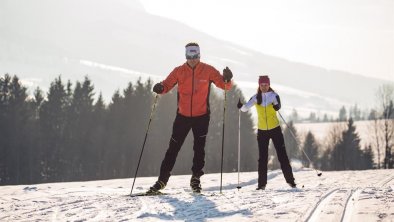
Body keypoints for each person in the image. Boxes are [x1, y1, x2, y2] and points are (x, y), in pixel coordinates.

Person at [148, 42, 233, 193]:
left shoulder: (208, 70)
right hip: (182, 116)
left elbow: (224, 85)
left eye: (195, 56)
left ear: (199, 55)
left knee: (199, 149)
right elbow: (166, 85)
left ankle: (195, 179)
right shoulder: (179, 71)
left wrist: (227, 79)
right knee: (173, 149)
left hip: (202, 117)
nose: (192, 59)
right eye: (189, 56)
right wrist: (160, 88)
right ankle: (161, 181)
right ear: (186, 56)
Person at [237, 75, 296, 190]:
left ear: (269, 85)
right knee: (262, 158)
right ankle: (261, 185)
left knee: (282, 155)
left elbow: (278, 105)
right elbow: (245, 108)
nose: (264, 87)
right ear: (259, 85)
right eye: (262, 85)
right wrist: (240, 106)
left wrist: (276, 106)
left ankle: (291, 181)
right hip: (262, 131)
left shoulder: (274, 96)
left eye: (266, 85)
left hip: (275, 129)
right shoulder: (255, 98)